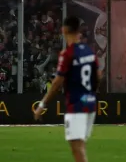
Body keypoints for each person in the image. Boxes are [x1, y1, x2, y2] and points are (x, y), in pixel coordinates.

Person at [34, 16, 101, 162]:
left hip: (76, 105)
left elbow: (57, 83)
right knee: (80, 145)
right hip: (90, 104)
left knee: (77, 149)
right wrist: (90, 92)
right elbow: (98, 76)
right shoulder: (89, 52)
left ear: (63, 30)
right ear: (79, 31)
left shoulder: (68, 54)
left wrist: (42, 104)